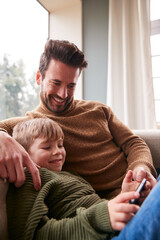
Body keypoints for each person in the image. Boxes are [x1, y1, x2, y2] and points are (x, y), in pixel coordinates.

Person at [0, 39, 157, 200]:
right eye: (56, 83)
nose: (63, 94)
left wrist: (140, 169)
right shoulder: (32, 125)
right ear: (39, 78)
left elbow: (133, 143)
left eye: (71, 86)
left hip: (144, 184)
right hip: (117, 201)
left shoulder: (99, 110)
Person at [1, 118, 160, 240]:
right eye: (47, 147)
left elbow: (96, 210)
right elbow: (34, 235)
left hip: (119, 227)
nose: (58, 152)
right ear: (24, 153)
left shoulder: (71, 176)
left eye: (60, 145)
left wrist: (125, 197)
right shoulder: (29, 177)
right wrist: (102, 217)